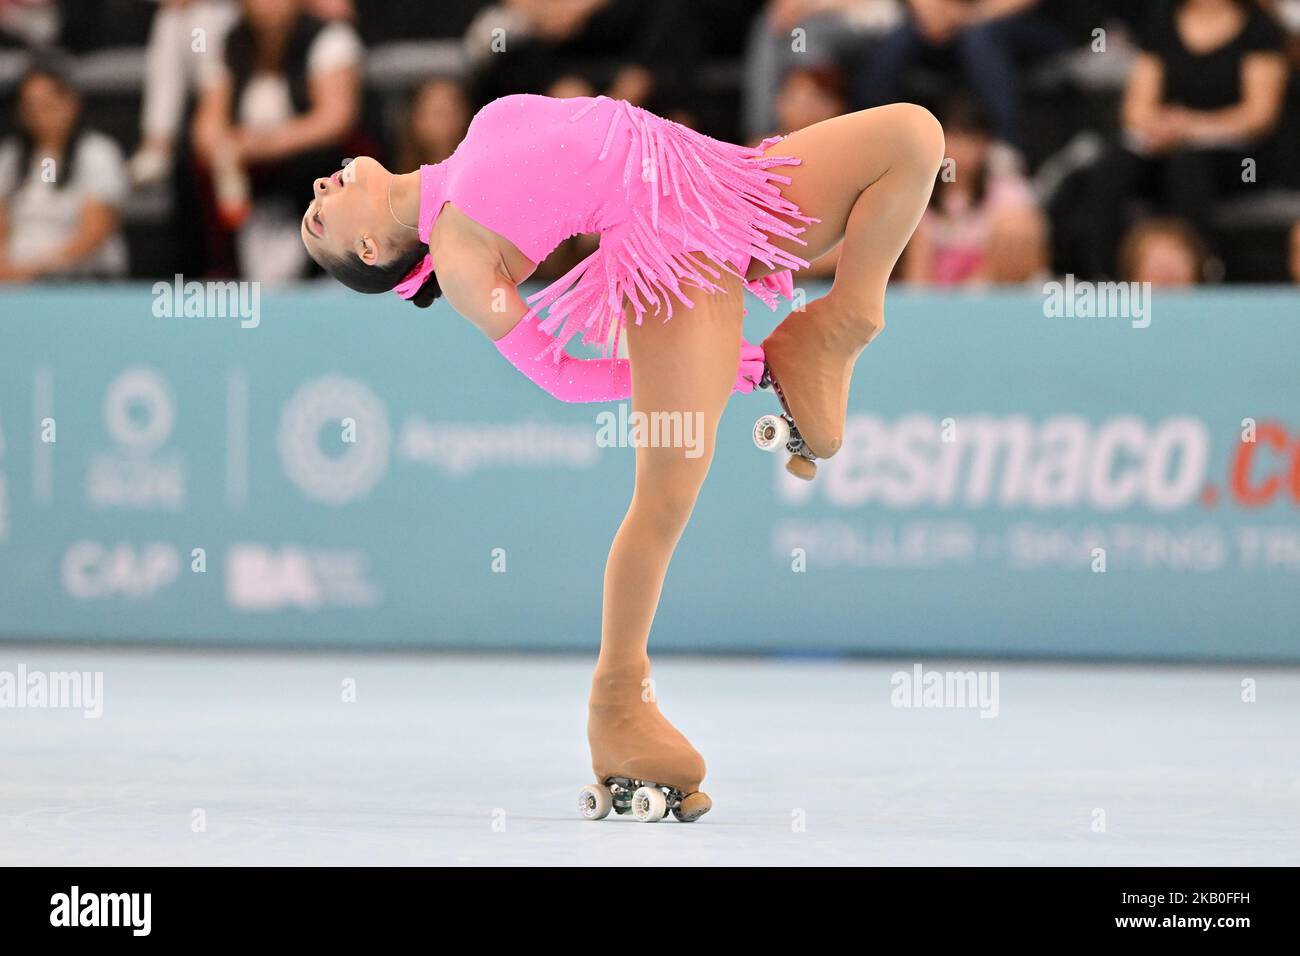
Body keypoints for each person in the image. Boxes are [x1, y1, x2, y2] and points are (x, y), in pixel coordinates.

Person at [298, 93, 944, 818]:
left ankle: (838, 325)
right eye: (318, 216)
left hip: (715, 183)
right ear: (369, 253)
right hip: (671, 266)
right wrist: (719, 368)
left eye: (316, 193)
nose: (321, 188)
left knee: (913, 138)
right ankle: (617, 703)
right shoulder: (458, 259)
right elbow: (557, 372)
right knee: (663, 504)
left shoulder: (466, 145)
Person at [1080, 0, 1288, 279]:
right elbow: (1135, 108)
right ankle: (1102, 278)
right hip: (1168, 144)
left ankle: (1199, 274)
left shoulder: (1261, 29)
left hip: (1240, 158)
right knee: (1113, 163)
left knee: (1188, 165)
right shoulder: (1163, 21)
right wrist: (1161, 127)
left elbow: (1258, 116)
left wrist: (1192, 126)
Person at [191, 0, 363, 280]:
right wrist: (225, 148)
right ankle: (218, 270)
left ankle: (320, 269)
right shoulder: (230, 42)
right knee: (194, 169)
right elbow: (207, 124)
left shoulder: (329, 37)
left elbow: (335, 118)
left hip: (303, 155)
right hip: (247, 164)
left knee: (317, 165)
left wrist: (266, 144)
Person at [0, 61, 129, 282]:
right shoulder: (9, 157)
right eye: (32, 107)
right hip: (15, 279)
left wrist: (36, 269)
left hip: (80, 279)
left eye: (48, 104)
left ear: (71, 102)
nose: (40, 115)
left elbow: (94, 231)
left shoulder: (98, 153)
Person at [901, 95, 1046, 285]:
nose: (961, 152)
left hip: (994, 293)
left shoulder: (1007, 190)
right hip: (937, 300)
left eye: (970, 141)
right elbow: (916, 277)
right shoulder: (919, 195)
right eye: (954, 138)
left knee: (1020, 227)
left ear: (986, 144)